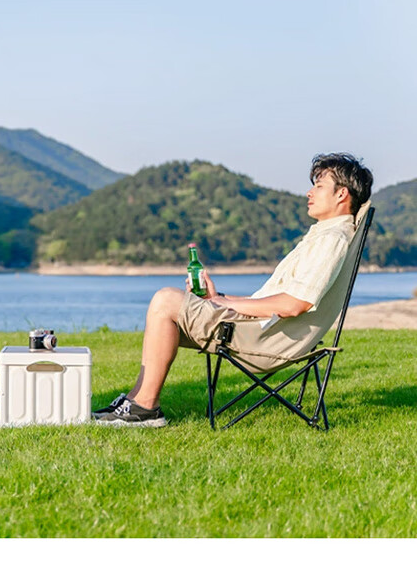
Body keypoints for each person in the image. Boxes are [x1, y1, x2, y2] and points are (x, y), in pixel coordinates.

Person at [94, 152, 373, 427]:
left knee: (166, 300)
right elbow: (275, 300)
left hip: (264, 341)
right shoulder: (323, 236)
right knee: (168, 311)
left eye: (319, 186)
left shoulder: (331, 239)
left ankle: (144, 407)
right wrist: (220, 299)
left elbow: (294, 304)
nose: (309, 193)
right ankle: (137, 402)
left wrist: (224, 303)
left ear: (341, 194)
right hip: (262, 331)